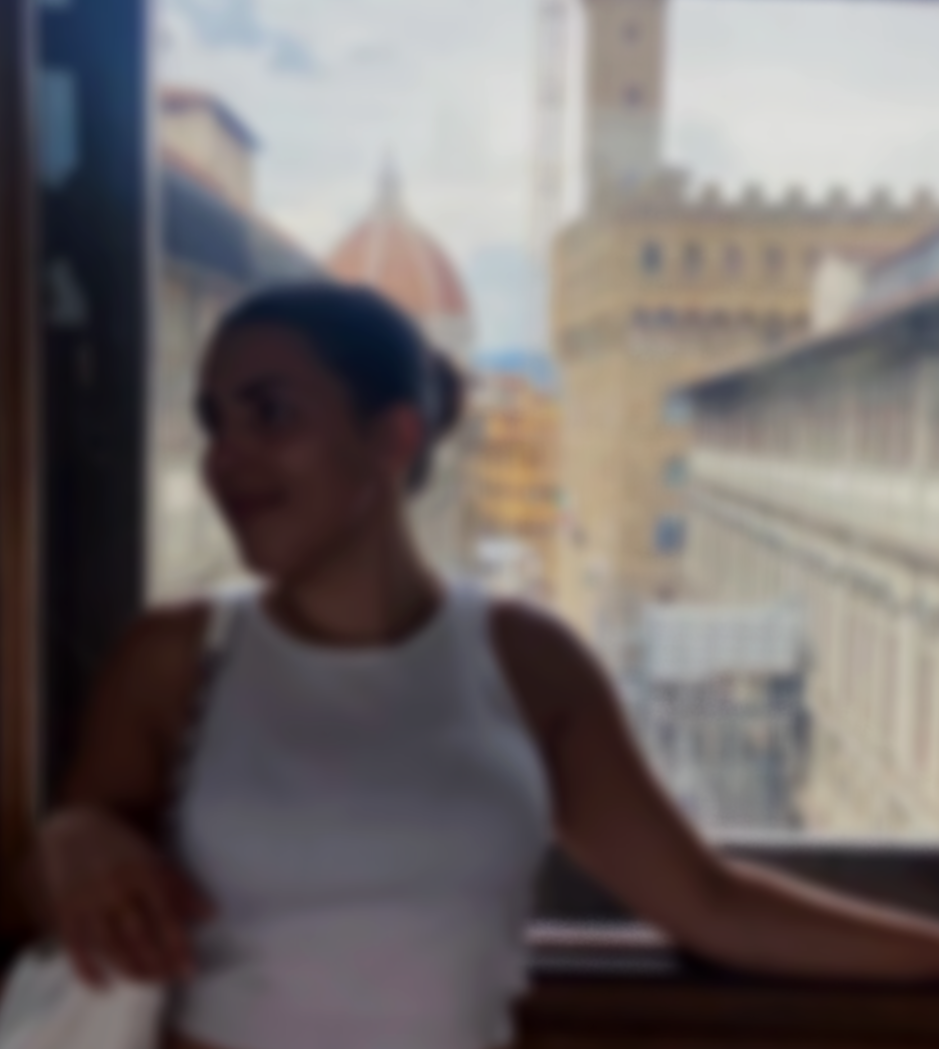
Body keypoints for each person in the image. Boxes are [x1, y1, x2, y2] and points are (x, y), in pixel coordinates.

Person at [17, 283, 939, 1049]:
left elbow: (707, 901)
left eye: (271, 413)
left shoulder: (528, 661)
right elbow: (58, 917)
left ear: (393, 439)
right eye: (216, 421)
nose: (225, 459)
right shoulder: (174, 658)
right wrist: (69, 837)